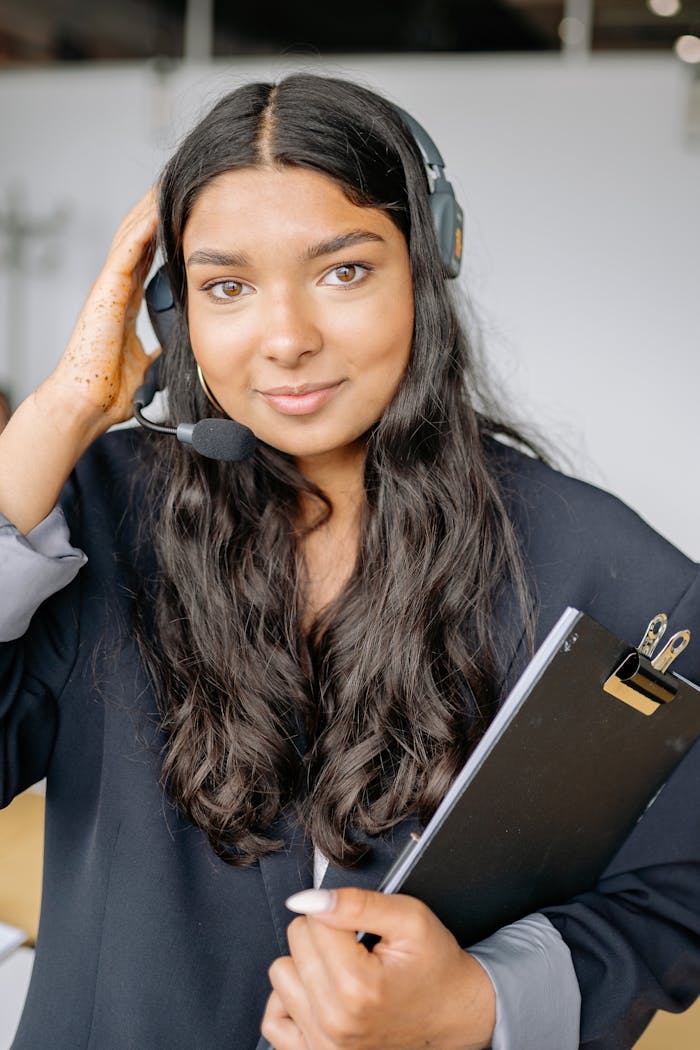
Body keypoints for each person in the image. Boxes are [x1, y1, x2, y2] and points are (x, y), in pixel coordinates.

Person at [0, 72, 698, 1050]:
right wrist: (65, 409)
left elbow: (675, 887)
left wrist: (476, 1005)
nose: (286, 338)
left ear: (424, 266)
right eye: (226, 287)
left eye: (343, 271)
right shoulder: (104, 511)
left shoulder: (611, 570)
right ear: (173, 313)